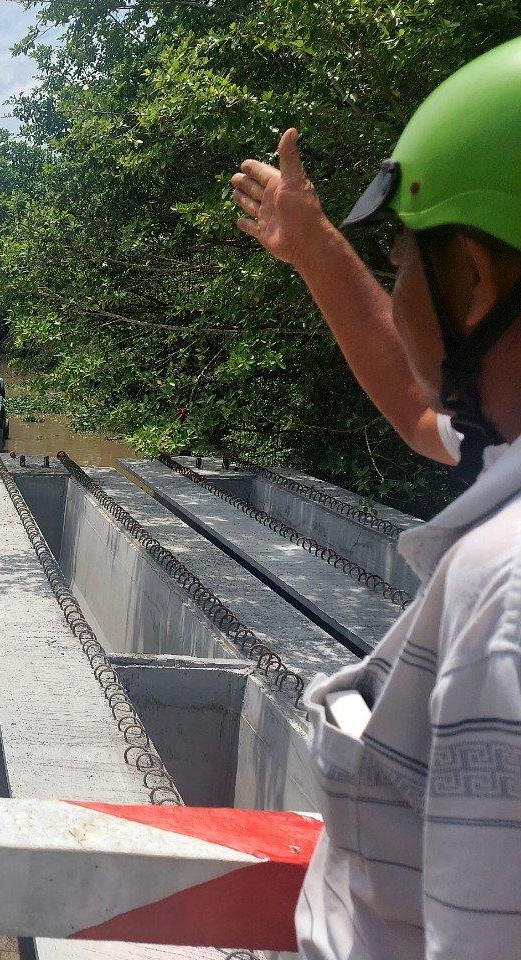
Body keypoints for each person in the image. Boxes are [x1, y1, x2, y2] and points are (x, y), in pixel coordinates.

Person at [231, 38, 521, 959]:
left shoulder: (505, 593)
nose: (396, 293)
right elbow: (421, 408)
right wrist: (318, 253)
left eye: (401, 265)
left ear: (472, 278)